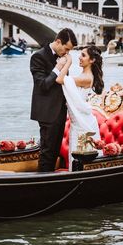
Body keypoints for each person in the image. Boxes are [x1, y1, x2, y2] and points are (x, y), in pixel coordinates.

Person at [30, 28, 77, 172]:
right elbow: (43, 85)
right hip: (46, 111)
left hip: (60, 111)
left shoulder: (62, 56)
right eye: (66, 48)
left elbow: (63, 84)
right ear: (58, 42)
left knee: (55, 152)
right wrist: (58, 67)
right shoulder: (38, 57)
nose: (67, 53)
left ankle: (49, 181)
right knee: (47, 151)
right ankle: (42, 185)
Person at [55, 46, 104, 170]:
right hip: (79, 123)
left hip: (83, 125)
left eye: (83, 55)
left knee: (82, 160)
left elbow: (60, 79)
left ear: (91, 60)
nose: (79, 57)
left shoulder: (86, 78)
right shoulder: (84, 75)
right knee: (77, 158)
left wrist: (68, 62)